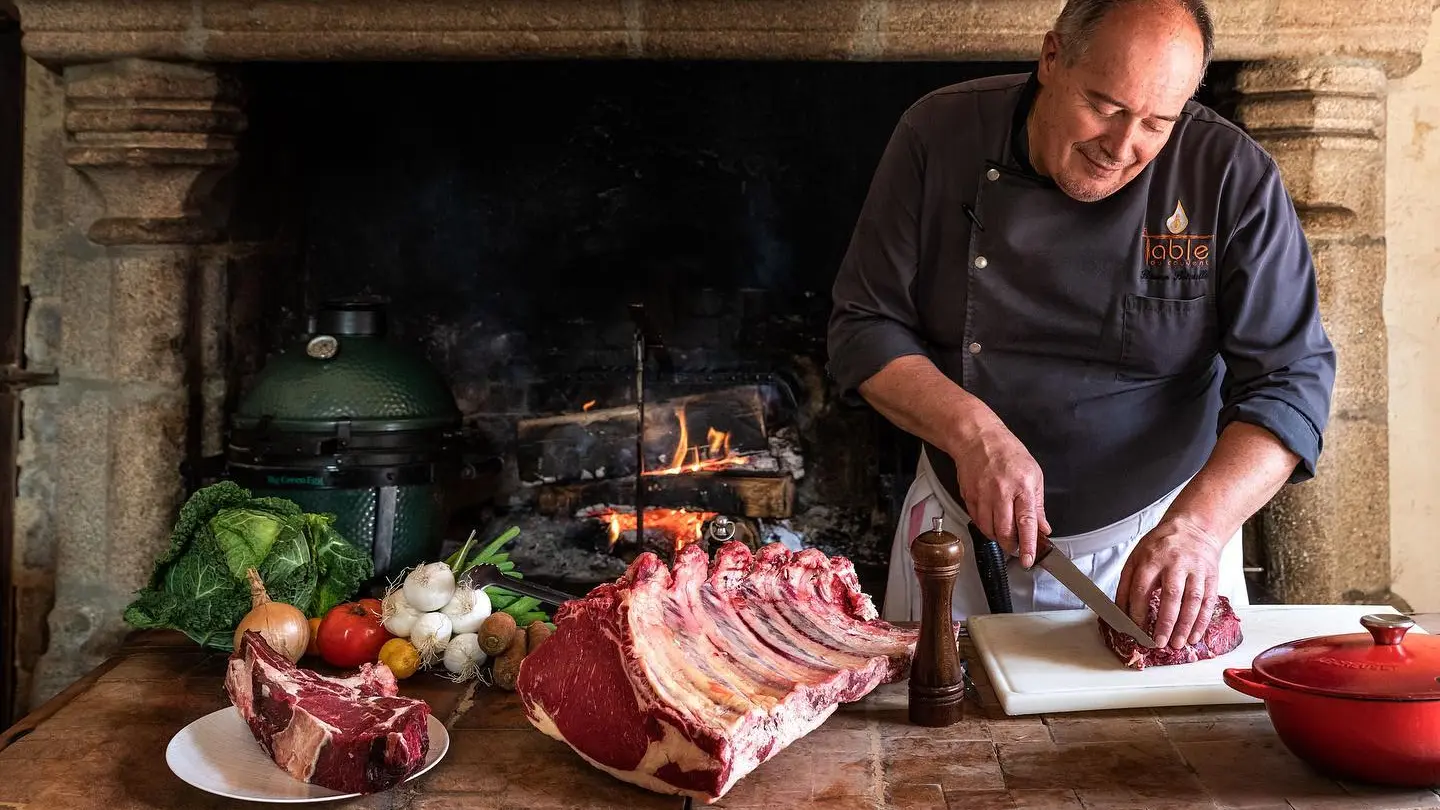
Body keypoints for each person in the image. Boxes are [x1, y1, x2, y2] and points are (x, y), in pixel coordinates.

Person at [825, 0, 1335, 650]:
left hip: (1155, 555)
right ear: (1051, 58)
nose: (1122, 148)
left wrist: (1200, 528)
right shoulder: (937, 133)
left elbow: (1291, 382)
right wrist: (974, 434)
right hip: (954, 542)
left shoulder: (1229, 175)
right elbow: (865, 326)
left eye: (1157, 123)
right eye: (1105, 106)